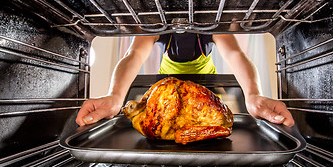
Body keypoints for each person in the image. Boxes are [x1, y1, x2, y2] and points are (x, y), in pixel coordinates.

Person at [76, 33, 295, 127]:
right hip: (167, 82)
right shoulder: (155, 18)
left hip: (205, 82)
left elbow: (236, 54)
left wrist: (253, 94)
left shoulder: (212, 19)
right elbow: (133, 55)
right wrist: (115, 96)